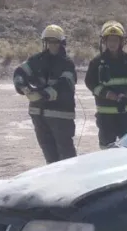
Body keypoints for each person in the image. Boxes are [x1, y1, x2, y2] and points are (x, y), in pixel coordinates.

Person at [12, 24, 78, 164]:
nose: (52, 45)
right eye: (49, 42)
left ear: (61, 43)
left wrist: (42, 95)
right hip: (39, 115)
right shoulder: (36, 60)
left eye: (55, 42)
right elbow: (19, 73)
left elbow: (65, 85)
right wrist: (23, 87)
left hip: (61, 117)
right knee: (50, 157)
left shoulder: (67, 64)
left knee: (67, 157)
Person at [85, 21, 127, 149]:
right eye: (109, 40)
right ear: (104, 41)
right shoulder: (96, 63)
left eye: (115, 40)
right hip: (105, 116)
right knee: (106, 150)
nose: (112, 43)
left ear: (121, 42)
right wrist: (106, 94)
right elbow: (90, 82)